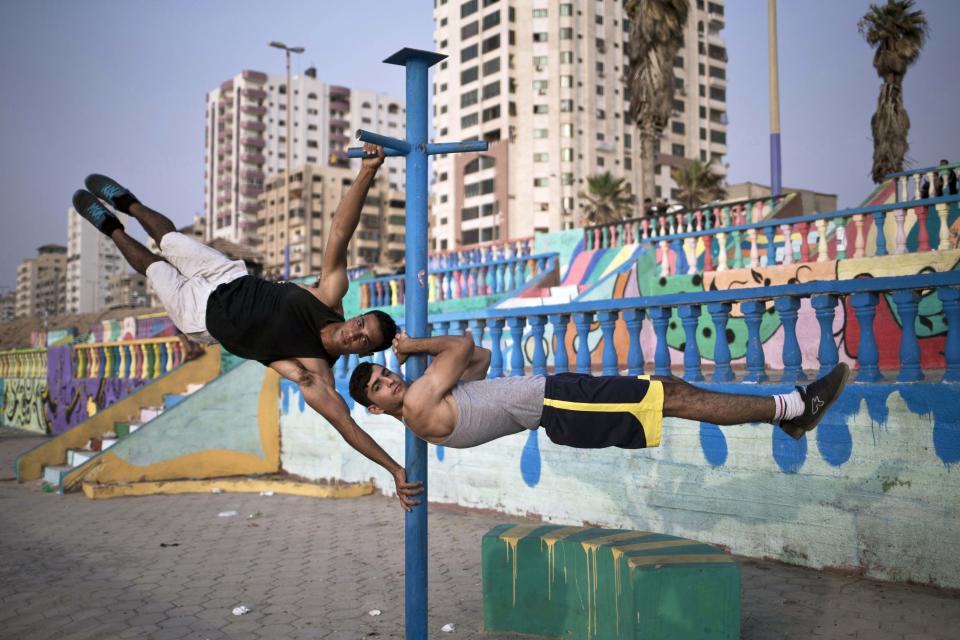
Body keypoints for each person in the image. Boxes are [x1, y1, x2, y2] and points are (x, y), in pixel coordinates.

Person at [71, 143, 422, 510]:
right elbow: (339, 232)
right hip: (225, 276)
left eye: (364, 340)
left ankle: (109, 226)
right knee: (170, 240)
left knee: (155, 268)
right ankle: (126, 203)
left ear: (363, 351)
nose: (355, 332)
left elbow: (348, 428)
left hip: (201, 317)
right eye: (361, 323)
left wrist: (395, 469)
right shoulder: (328, 296)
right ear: (355, 316)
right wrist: (367, 172)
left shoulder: (314, 373)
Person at [348, 333, 850, 450]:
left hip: (560, 402)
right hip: (557, 403)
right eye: (379, 386)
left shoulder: (429, 407)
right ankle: (794, 408)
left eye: (383, 372)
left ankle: (787, 411)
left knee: (670, 391)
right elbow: (459, 345)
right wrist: (413, 344)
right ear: (377, 407)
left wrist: (428, 364)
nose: (390, 379)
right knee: (670, 396)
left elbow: (477, 359)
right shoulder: (417, 404)